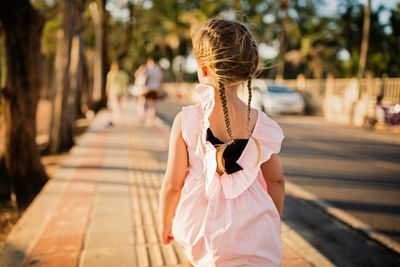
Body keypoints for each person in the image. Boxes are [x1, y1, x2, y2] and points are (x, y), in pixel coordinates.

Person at [158, 18, 286, 266]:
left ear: (203, 68)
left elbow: (172, 185)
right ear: (249, 68)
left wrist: (165, 222)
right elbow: (276, 180)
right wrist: (274, 218)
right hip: (255, 230)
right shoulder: (261, 125)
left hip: (204, 230)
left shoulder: (186, 121)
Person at [136, 58, 164, 125]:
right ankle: (151, 120)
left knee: (141, 102)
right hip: (156, 89)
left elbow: (137, 75)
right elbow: (161, 79)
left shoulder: (146, 68)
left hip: (146, 89)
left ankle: (142, 115)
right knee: (153, 105)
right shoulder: (158, 69)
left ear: (149, 62)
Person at [106, 61, 129, 125]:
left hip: (115, 92)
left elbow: (108, 84)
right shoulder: (123, 74)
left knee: (116, 106)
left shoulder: (112, 74)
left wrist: (107, 91)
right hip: (117, 92)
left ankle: (116, 119)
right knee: (116, 106)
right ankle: (116, 119)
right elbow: (126, 84)